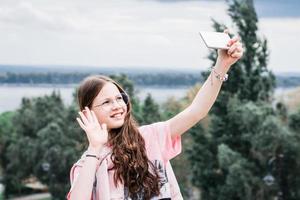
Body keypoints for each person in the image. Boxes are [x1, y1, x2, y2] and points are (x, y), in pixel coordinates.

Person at [67, 31, 243, 200]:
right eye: (106, 102)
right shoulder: (87, 164)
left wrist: (222, 64)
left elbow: (197, 111)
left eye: (119, 98)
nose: (117, 106)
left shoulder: (150, 137)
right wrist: (95, 148)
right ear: (87, 113)